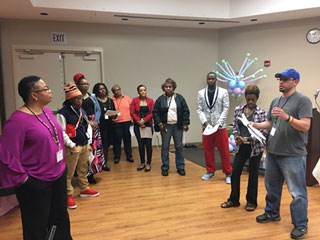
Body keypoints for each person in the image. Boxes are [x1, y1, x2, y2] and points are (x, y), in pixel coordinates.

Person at [0, 76, 72, 239]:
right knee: (36, 226)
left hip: (58, 175)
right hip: (36, 182)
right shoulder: (17, 122)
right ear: (34, 95)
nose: (50, 91)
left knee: (60, 219)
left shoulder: (46, 112)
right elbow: (6, 156)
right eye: (45, 89)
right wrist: (25, 180)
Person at [253, 69, 312, 239]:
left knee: (297, 192)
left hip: (293, 154)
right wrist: (257, 125)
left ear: (295, 82)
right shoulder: (276, 100)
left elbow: (305, 126)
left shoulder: (303, 101)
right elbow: (271, 123)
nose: (281, 82)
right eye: (280, 79)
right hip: (273, 151)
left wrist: (288, 118)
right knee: (271, 187)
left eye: (285, 79)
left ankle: (301, 225)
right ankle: (272, 213)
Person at [221, 85, 267, 211]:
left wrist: (248, 139)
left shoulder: (261, 113)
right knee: (235, 172)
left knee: (253, 174)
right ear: (245, 98)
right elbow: (235, 126)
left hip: (255, 147)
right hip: (241, 147)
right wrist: (236, 137)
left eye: (253, 99)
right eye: (248, 99)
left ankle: (251, 202)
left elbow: (263, 132)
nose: (250, 102)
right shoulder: (238, 110)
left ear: (257, 98)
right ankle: (233, 200)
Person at [57, 83, 100, 210]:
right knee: (69, 173)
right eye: (77, 98)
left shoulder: (81, 110)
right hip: (72, 147)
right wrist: (71, 145)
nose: (80, 100)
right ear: (70, 99)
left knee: (83, 169)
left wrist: (88, 141)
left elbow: (86, 125)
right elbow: (61, 132)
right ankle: (68, 195)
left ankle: (84, 189)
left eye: (80, 98)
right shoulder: (62, 113)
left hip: (84, 144)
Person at [197, 71, 232, 183]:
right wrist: (206, 122)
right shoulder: (201, 93)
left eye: (213, 79)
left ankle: (228, 172)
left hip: (220, 126)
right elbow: (199, 109)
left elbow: (226, 108)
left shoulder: (223, 92)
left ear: (216, 80)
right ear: (206, 80)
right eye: (209, 79)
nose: (211, 80)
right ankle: (210, 171)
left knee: (224, 150)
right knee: (207, 149)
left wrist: (218, 123)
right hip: (207, 126)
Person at [153, 78, 190, 176]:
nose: (168, 88)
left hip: (177, 126)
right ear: (163, 88)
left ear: (173, 88)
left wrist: (185, 123)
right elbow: (155, 113)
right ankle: (165, 167)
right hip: (165, 126)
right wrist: (160, 124)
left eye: (170, 87)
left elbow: (186, 111)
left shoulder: (180, 98)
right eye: (166, 87)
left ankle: (180, 167)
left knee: (179, 147)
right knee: (165, 147)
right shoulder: (160, 99)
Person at [74, 73, 104, 184]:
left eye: (87, 84)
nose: (86, 86)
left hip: (95, 126)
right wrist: (88, 122)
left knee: (96, 150)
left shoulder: (92, 96)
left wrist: (95, 121)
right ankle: (84, 175)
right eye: (83, 84)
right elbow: (79, 112)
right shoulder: (76, 98)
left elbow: (98, 110)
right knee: (87, 150)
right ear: (78, 85)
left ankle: (92, 173)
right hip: (84, 126)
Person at [93, 83, 117, 171]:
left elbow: (114, 112)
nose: (103, 90)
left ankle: (104, 163)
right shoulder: (95, 100)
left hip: (109, 125)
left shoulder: (110, 100)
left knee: (106, 145)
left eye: (104, 88)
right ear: (96, 91)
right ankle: (98, 164)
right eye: (100, 89)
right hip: (99, 126)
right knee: (99, 145)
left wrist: (114, 115)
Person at [130, 85, 154, 172]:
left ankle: (148, 163)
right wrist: (139, 121)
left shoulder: (150, 101)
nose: (143, 92)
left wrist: (144, 121)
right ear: (138, 92)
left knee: (148, 145)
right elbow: (132, 112)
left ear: (146, 91)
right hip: (138, 125)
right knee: (141, 145)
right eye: (141, 90)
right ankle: (142, 162)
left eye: (144, 90)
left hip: (148, 125)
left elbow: (152, 113)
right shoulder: (134, 100)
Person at [111, 84, 134, 164]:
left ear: (120, 90)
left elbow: (132, 109)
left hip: (127, 122)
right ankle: (117, 157)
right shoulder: (111, 100)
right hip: (116, 123)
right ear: (113, 92)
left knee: (127, 140)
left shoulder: (127, 98)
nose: (117, 92)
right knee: (117, 141)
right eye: (115, 91)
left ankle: (129, 156)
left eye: (118, 90)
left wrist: (132, 119)